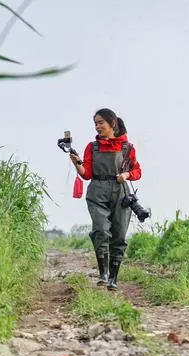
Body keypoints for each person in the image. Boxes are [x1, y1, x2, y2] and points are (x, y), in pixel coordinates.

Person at [69, 108, 142, 291]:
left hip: (121, 193)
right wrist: (76, 163)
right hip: (97, 191)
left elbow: (137, 171)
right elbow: (87, 174)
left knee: (119, 235)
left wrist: (126, 174)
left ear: (112, 123)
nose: (97, 126)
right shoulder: (92, 147)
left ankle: (113, 279)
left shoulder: (127, 147)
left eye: (101, 122)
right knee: (101, 230)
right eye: (95, 123)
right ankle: (103, 274)